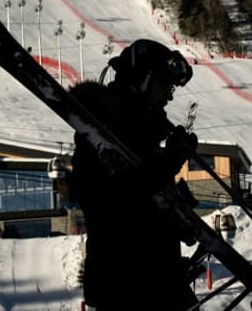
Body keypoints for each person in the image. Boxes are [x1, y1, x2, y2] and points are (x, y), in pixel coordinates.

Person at [69, 39, 198, 310]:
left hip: (156, 285)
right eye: (165, 85)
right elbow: (121, 201)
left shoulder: (135, 135)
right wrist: (171, 160)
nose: (169, 96)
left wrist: (178, 216)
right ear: (143, 80)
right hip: (126, 289)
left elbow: (146, 202)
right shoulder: (103, 133)